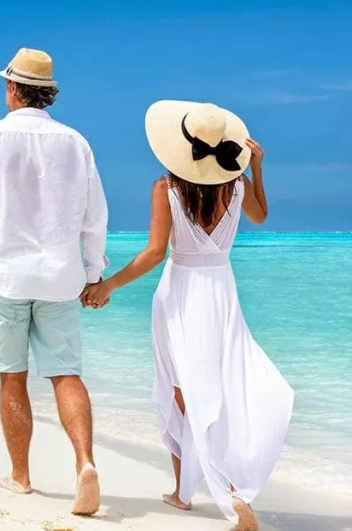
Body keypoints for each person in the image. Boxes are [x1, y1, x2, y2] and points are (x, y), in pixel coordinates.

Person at [82, 100, 293, 531]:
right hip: (221, 292)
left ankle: (217, 492)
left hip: (179, 294)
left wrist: (108, 286)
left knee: (181, 390)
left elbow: (155, 253)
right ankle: (203, 490)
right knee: (220, 386)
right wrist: (256, 168)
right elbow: (260, 216)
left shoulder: (167, 187)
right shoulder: (237, 183)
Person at [0, 48, 108, 516]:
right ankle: (85, 463)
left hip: (5, 274)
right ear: (47, 93)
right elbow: (94, 218)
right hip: (61, 277)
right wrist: (93, 273)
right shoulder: (76, 142)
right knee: (66, 373)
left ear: (12, 88)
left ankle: (20, 476)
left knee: (12, 376)